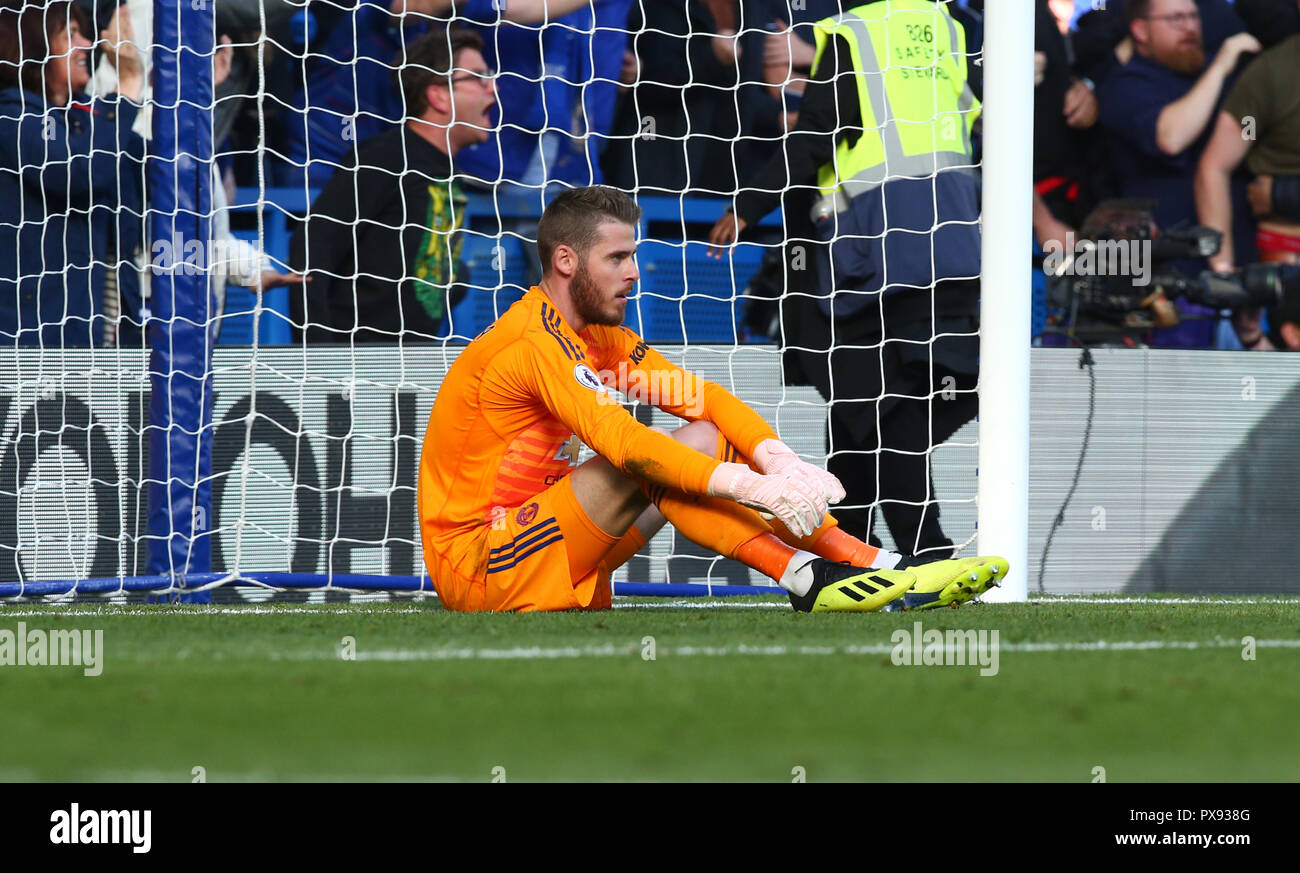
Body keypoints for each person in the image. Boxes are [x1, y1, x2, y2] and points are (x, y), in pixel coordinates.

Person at [417, 186, 1009, 613]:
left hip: (541, 539)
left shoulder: (598, 336)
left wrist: (776, 458)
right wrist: (748, 487)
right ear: (566, 261)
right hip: (478, 562)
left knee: (700, 439)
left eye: (632, 255)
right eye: (618, 258)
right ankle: (809, 574)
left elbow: (704, 400)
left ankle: (874, 564)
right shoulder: (531, 341)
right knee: (648, 462)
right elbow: (624, 444)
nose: (634, 274)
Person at [707, 0, 983, 560]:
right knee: (877, 408)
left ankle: (919, 552)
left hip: (873, 250)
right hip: (955, 240)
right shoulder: (952, 27)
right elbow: (978, 122)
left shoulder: (853, 32)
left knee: (876, 411)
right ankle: (854, 550)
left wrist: (745, 206)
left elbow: (815, 140)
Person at [288, 27, 496, 343]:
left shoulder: (447, 170)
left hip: (407, 370)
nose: (491, 88)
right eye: (478, 77)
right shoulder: (384, 157)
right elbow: (314, 245)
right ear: (438, 94)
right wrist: (318, 359)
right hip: (355, 370)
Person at [1096, 0, 1261, 348]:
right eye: (1175, 18)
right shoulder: (1125, 84)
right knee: (1179, 393)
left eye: (1192, 16)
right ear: (1140, 30)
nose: (1189, 27)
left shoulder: (1224, 76)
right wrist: (1220, 67)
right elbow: (1171, 137)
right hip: (1168, 281)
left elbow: (1250, 133)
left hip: (1239, 270)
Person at [0, 0, 145, 348]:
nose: (87, 46)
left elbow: (139, 170)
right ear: (34, 45)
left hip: (98, 336)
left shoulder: (80, 122)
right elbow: (78, 173)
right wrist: (125, 90)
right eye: (72, 35)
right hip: (31, 345)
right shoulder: (16, 115)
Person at [1195, 19, 1300, 350]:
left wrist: (1288, 195)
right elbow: (1217, 166)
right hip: (1286, 262)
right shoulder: (1271, 73)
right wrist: (1223, 269)